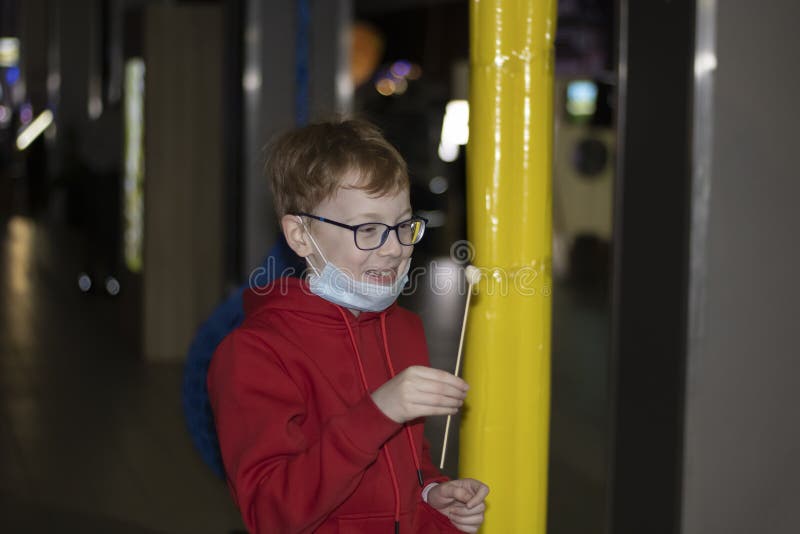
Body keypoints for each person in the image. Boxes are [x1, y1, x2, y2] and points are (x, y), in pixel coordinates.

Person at [208, 118, 489, 533]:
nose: (394, 248)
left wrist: (431, 493)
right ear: (301, 236)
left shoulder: (403, 329)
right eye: (369, 229)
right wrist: (380, 411)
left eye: (403, 225)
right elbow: (270, 513)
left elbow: (407, 463)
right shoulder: (255, 353)